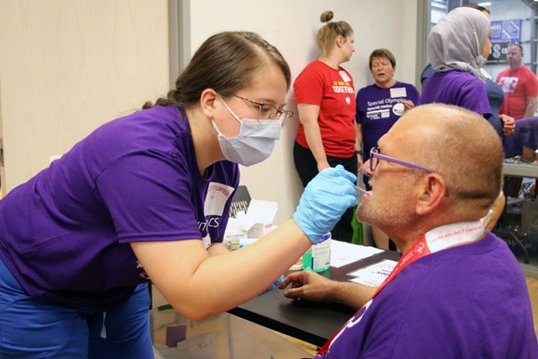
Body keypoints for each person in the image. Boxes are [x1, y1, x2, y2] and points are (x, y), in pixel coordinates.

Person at [0, 32, 358, 358]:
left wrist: (261, 262)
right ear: (210, 101)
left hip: (113, 286)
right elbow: (192, 296)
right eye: (262, 108)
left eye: (278, 112)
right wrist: (302, 226)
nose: (271, 125)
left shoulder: (222, 161)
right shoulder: (143, 155)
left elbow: (209, 250)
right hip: (33, 283)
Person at [280, 104, 538, 358]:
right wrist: (333, 290)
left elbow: (414, 307)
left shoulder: (413, 314)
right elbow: (403, 299)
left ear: (427, 192)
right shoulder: (488, 253)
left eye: (382, 156)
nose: (371, 169)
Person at [293, 10, 357, 242]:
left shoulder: (346, 76)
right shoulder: (313, 74)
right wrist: (322, 162)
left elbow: (349, 117)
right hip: (319, 155)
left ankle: (344, 268)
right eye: (351, 41)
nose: (353, 47)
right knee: (328, 217)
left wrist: (356, 152)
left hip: (346, 155)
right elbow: (308, 121)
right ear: (339, 41)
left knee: (346, 216)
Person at [356, 48, 419, 249]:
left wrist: (411, 113)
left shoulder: (409, 91)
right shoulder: (364, 94)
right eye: (375, 65)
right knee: (378, 211)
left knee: (403, 211)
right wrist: (357, 152)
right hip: (374, 164)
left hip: (403, 163)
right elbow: (357, 127)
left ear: (393, 67)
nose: (379, 68)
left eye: (384, 63)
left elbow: (420, 125)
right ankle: (383, 255)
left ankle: (404, 254)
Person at [420, 4, 515, 138]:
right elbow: (474, 143)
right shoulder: (471, 84)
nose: (491, 44)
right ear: (471, 40)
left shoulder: (434, 79)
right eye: (487, 37)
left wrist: (496, 120)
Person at [497, 43, 538, 120]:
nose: (510, 56)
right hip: (502, 121)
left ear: (521, 54)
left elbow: (532, 103)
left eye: (514, 53)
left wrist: (525, 124)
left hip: (518, 122)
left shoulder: (529, 76)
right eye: (508, 53)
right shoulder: (501, 75)